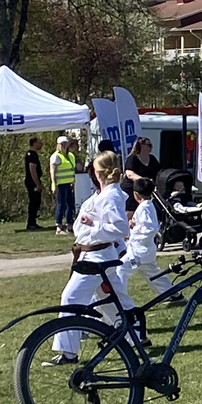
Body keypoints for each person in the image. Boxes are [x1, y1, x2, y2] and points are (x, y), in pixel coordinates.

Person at [48, 150, 131, 362]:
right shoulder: (103, 194)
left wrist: (94, 227)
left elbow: (121, 227)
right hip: (94, 255)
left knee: (71, 298)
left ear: (98, 173)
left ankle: (68, 352)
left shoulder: (111, 195)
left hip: (98, 257)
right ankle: (134, 338)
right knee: (109, 302)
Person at [115, 176, 172, 309]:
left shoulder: (145, 207)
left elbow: (151, 228)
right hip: (144, 250)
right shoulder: (147, 206)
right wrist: (134, 224)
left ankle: (119, 299)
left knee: (121, 269)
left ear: (135, 194)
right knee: (153, 274)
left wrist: (136, 230)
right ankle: (172, 294)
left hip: (139, 251)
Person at [48, 135, 79, 236]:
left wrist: (73, 182)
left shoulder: (70, 156)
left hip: (69, 183)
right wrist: (54, 184)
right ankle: (59, 227)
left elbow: (72, 170)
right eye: (62, 144)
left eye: (66, 143)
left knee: (70, 205)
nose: (65, 146)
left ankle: (69, 224)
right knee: (61, 205)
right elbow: (52, 171)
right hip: (60, 184)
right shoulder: (56, 156)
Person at [122, 137, 161, 204]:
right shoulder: (132, 158)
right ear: (141, 145)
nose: (151, 147)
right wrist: (145, 181)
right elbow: (130, 174)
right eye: (149, 145)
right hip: (132, 191)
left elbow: (159, 172)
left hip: (146, 192)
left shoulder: (152, 158)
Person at [23, 137, 45, 230]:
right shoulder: (32, 155)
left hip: (32, 181)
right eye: (39, 142)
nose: (41, 144)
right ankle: (31, 223)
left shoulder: (31, 154)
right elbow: (32, 170)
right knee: (34, 202)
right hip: (32, 182)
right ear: (34, 143)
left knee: (36, 202)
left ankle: (33, 222)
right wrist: (37, 183)